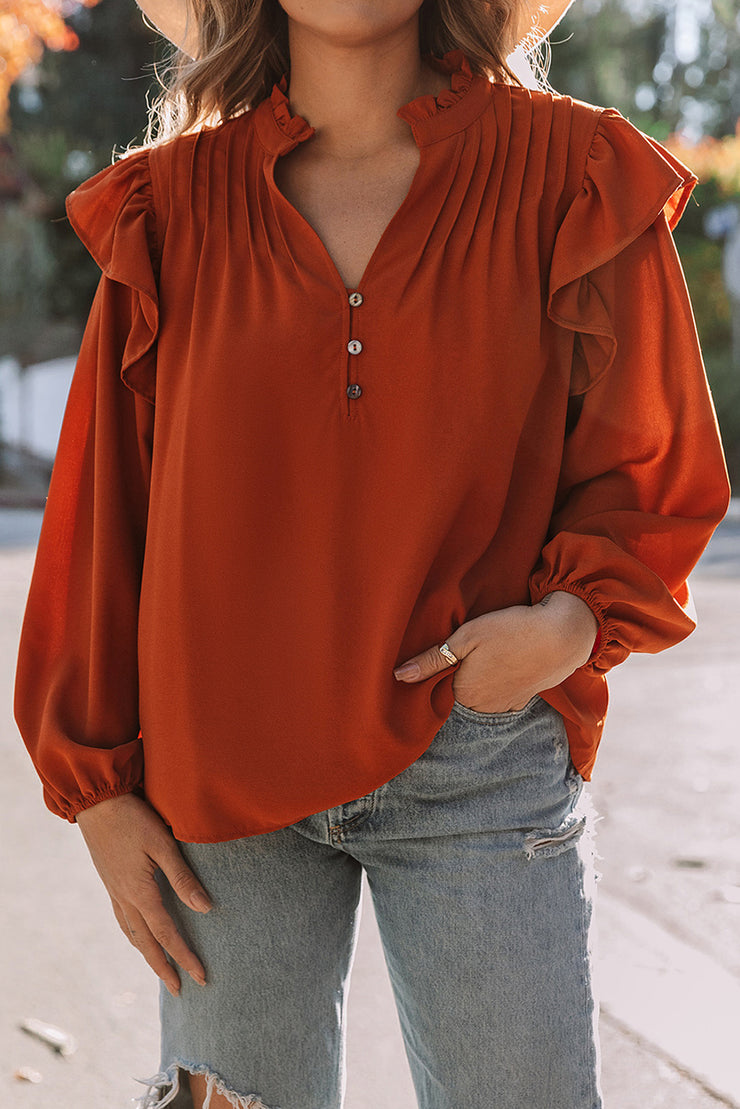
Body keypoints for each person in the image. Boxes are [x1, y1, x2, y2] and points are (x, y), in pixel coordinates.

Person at [14, 1, 731, 1107]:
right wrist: (97, 789)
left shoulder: (570, 171)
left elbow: (652, 458)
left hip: (477, 760)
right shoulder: (171, 203)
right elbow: (105, 509)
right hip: (217, 775)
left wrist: (567, 626)